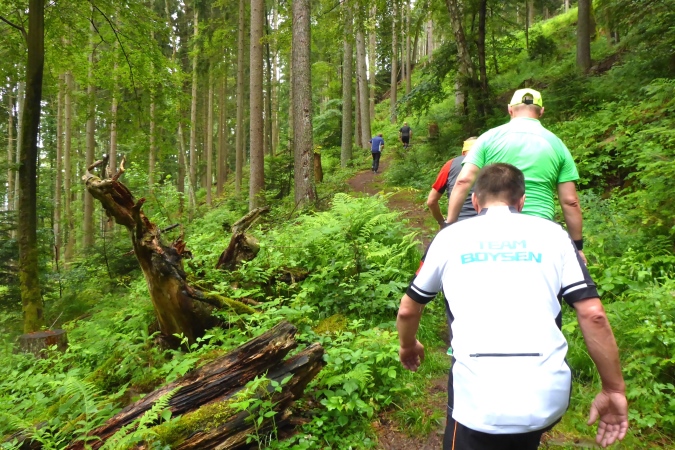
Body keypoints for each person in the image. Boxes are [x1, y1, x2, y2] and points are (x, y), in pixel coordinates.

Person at [397, 163, 628, 450]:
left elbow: (408, 309)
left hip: (476, 397)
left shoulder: (449, 237)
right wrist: (613, 388)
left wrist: (408, 345)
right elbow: (594, 315)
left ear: (475, 201)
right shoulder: (554, 234)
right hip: (546, 396)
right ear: (521, 201)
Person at [445, 88, 587, 263]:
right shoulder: (557, 145)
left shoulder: (488, 138)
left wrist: (449, 226)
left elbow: (463, 180)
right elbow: (570, 201)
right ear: (541, 111)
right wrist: (577, 247)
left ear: (510, 109)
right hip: (540, 229)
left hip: (493, 227)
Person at [427, 137, 478, 229]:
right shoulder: (494, 165)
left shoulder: (450, 164)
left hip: (457, 224)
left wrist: (441, 222)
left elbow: (431, 201)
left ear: (463, 152)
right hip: (488, 222)